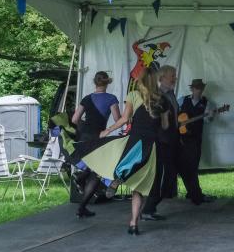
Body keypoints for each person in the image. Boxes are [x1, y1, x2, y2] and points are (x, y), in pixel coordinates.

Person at [70, 69, 168, 234]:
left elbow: (123, 119)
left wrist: (107, 130)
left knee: (112, 157)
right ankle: (133, 223)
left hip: (131, 141)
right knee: (139, 186)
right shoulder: (161, 99)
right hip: (151, 146)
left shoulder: (132, 95)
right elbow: (165, 126)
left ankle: (112, 179)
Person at [142, 65, 181, 220]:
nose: (175, 78)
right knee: (160, 175)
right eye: (172, 76)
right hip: (161, 141)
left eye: (175, 75)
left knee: (169, 175)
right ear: (162, 77)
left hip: (172, 139)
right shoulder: (156, 95)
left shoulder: (171, 94)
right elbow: (156, 120)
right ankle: (148, 209)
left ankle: (150, 208)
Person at [177, 78, 215, 205]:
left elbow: (208, 120)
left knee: (193, 166)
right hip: (180, 139)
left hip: (195, 139)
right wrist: (178, 122)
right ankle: (193, 193)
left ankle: (195, 193)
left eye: (200, 88)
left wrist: (210, 116)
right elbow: (173, 113)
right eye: (196, 88)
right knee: (182, 166)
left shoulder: (207, 103)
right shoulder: (182, 100)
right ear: (192, 89)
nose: (198, 90)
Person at [71, 71, 121, 141]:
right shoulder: (111, 98)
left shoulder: (86, 98)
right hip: (97, 135)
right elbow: (118, 120)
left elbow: (74, 120)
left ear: (95, 82)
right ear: (107, 83)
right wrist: (127, 117)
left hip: (82, 135)